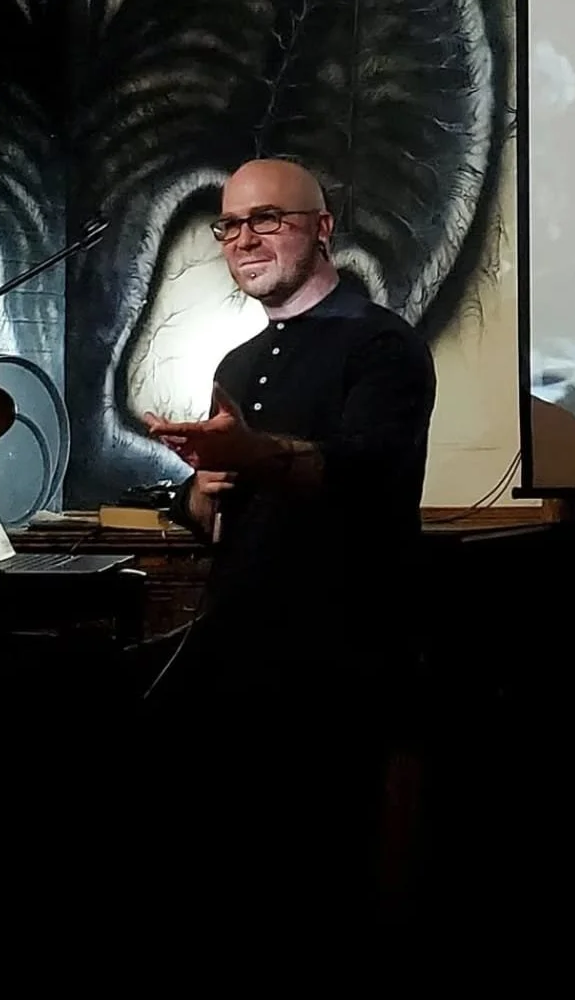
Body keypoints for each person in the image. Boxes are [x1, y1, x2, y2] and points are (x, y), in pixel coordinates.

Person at [141, 157, 436, 923]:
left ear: (322, 227)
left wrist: (254, 453)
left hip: (341, 661)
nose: (244, 239)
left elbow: (367, 474)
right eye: (230, 225)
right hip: (240, 653)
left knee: (325, 877)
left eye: (267, 218)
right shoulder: (235, 363)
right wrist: (201, 489)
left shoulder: (382, 345)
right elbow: (219, 513)